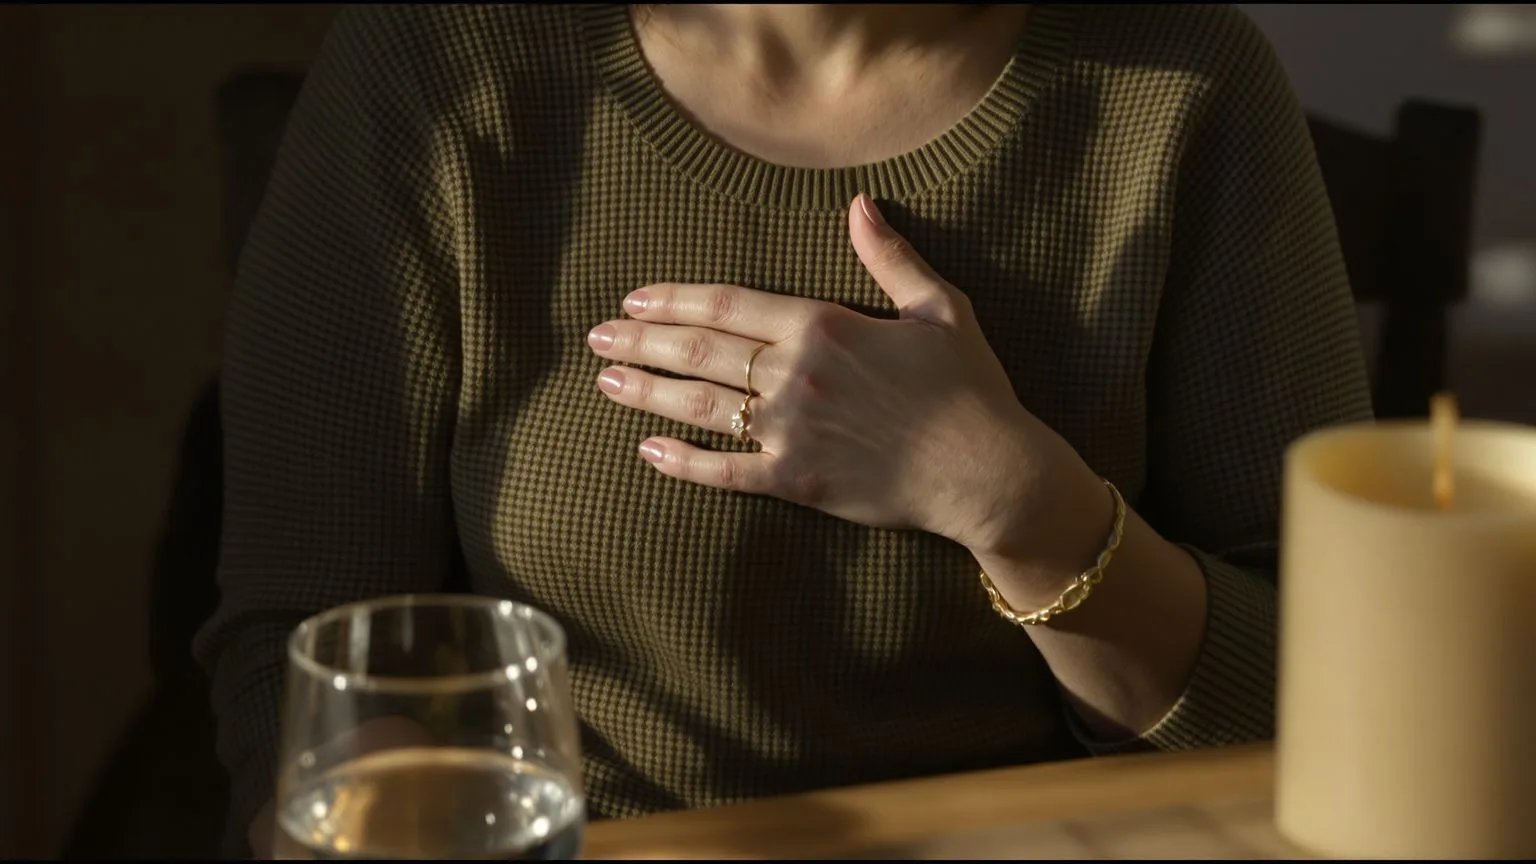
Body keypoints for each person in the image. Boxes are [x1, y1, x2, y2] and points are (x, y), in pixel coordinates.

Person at [194, 3, 1372, 857]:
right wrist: (372, 811)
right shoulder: (439, 61)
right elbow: (304, 632)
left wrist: (1016, 503)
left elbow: (1325, 708)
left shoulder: (1185, 80)